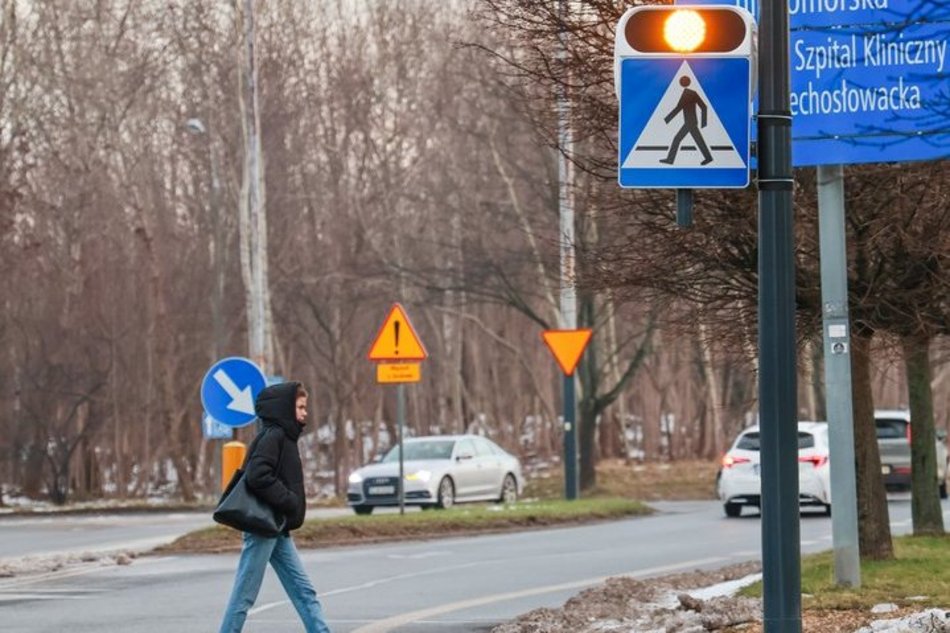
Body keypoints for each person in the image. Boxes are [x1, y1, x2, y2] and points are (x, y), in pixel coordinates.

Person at [219, 381, 332, 633]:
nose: (305, 413)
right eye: (300, 407)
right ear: (285, 408)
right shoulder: (274, 436)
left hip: (276, 526)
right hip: (262, 526)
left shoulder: (284, 436)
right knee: (244, 596)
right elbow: (258, 475)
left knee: (304, 592)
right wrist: (288, 499)